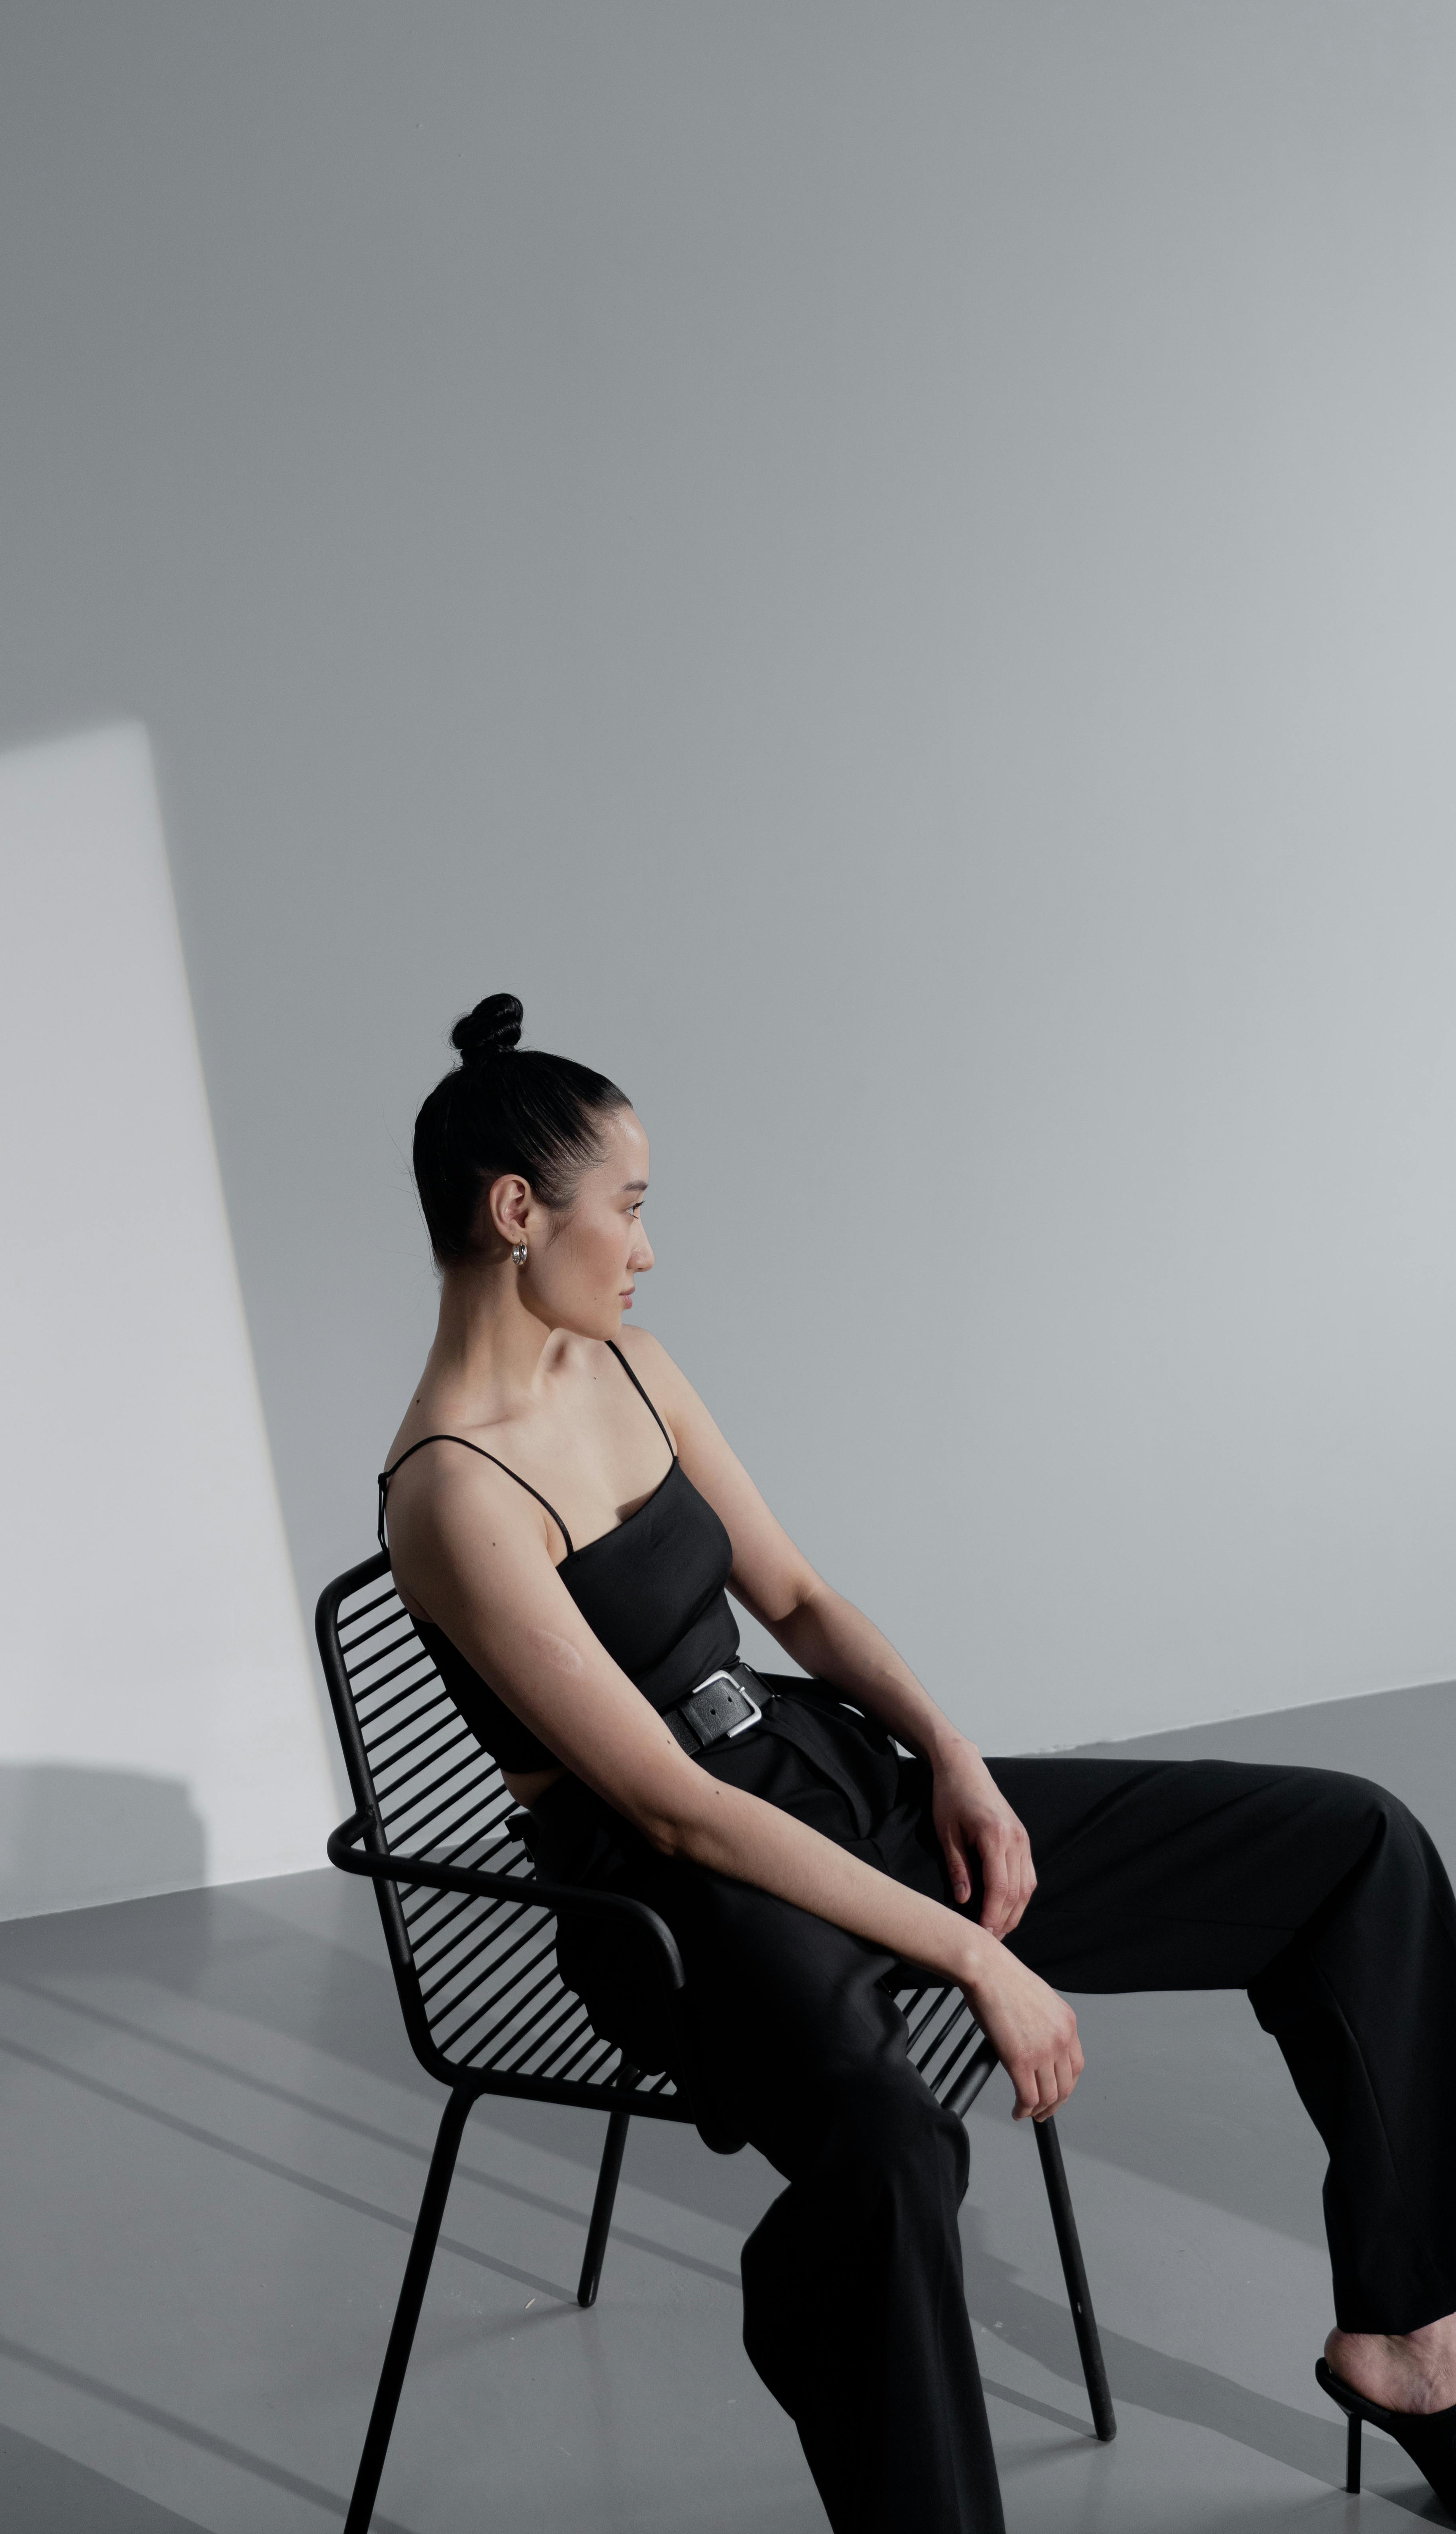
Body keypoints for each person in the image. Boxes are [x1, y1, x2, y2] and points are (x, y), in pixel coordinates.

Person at [376, 992, 1456, 2534]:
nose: (647, 1243)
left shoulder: (629, 1366)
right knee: (888, 2151)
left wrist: (946, 1752)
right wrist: (974, 1954)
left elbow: (797, 1599)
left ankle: (1410, 2337)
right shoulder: (450, 1494)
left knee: (1355, 1844)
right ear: (513, 1211)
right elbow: (675, 1806)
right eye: (627, 1204)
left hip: (827, 1783)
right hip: (674, 1904)